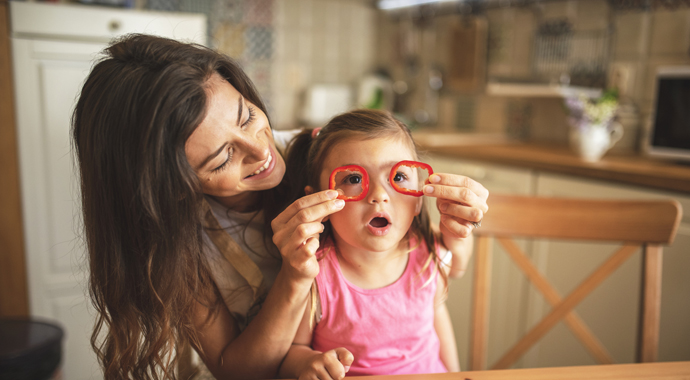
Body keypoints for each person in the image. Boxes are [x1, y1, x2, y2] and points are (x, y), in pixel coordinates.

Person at [71, 33, 487, 379]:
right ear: (175, 188)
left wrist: (461, 224)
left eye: (247, 116)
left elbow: (442, 270)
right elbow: (238, 372)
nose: (262, 151)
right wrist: (294, 279)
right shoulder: (178, 248)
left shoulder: (327, 155)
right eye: (222, 159)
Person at [277, 109, 487, 380]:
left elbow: (453, 276)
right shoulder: (312, 273)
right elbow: (294, 349)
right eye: (353, 179)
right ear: (318, 203)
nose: (378, 196)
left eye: (398, 177)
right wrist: (308, 362)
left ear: (419, 199)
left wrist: (456, 374)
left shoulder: (426, 251)